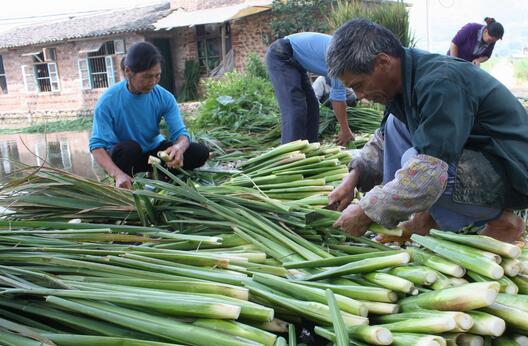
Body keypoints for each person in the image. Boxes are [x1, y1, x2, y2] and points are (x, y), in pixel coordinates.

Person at [326, 19, 528, 243]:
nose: (360, 95)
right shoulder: (405, 77)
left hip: (514, 171)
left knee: (418, 163)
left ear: (383, 62)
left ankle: (502, 222)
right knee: (396, 125)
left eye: (359, 85)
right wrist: (352, 178)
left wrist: (367, 211)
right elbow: (383, 139)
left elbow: (429, 173)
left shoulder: (440, 82)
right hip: (478, 156)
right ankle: (424, 220)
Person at [89, 42, 209, 189]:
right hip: (127, 157)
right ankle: (125, 180)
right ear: (128, 71)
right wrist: (116, 174)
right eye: (146, 77)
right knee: (129, 148)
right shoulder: (108, 100)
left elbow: (181, 134)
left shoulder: (165, 97)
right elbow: (97, 146)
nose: (152, 82)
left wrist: (179, 147)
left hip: (155, 153)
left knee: (199, 152)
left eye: (157, 76)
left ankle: (160, 173)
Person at [265, 32, 355, 146]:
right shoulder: (342, 59)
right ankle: (291, 156)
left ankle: (310, 149)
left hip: (297, 63)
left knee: (312, 107)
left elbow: (339, 96)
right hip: (281, 54)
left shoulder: (348, 57)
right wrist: (345, 130)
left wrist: (345, 129)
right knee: (296, 108)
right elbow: (338, 100)